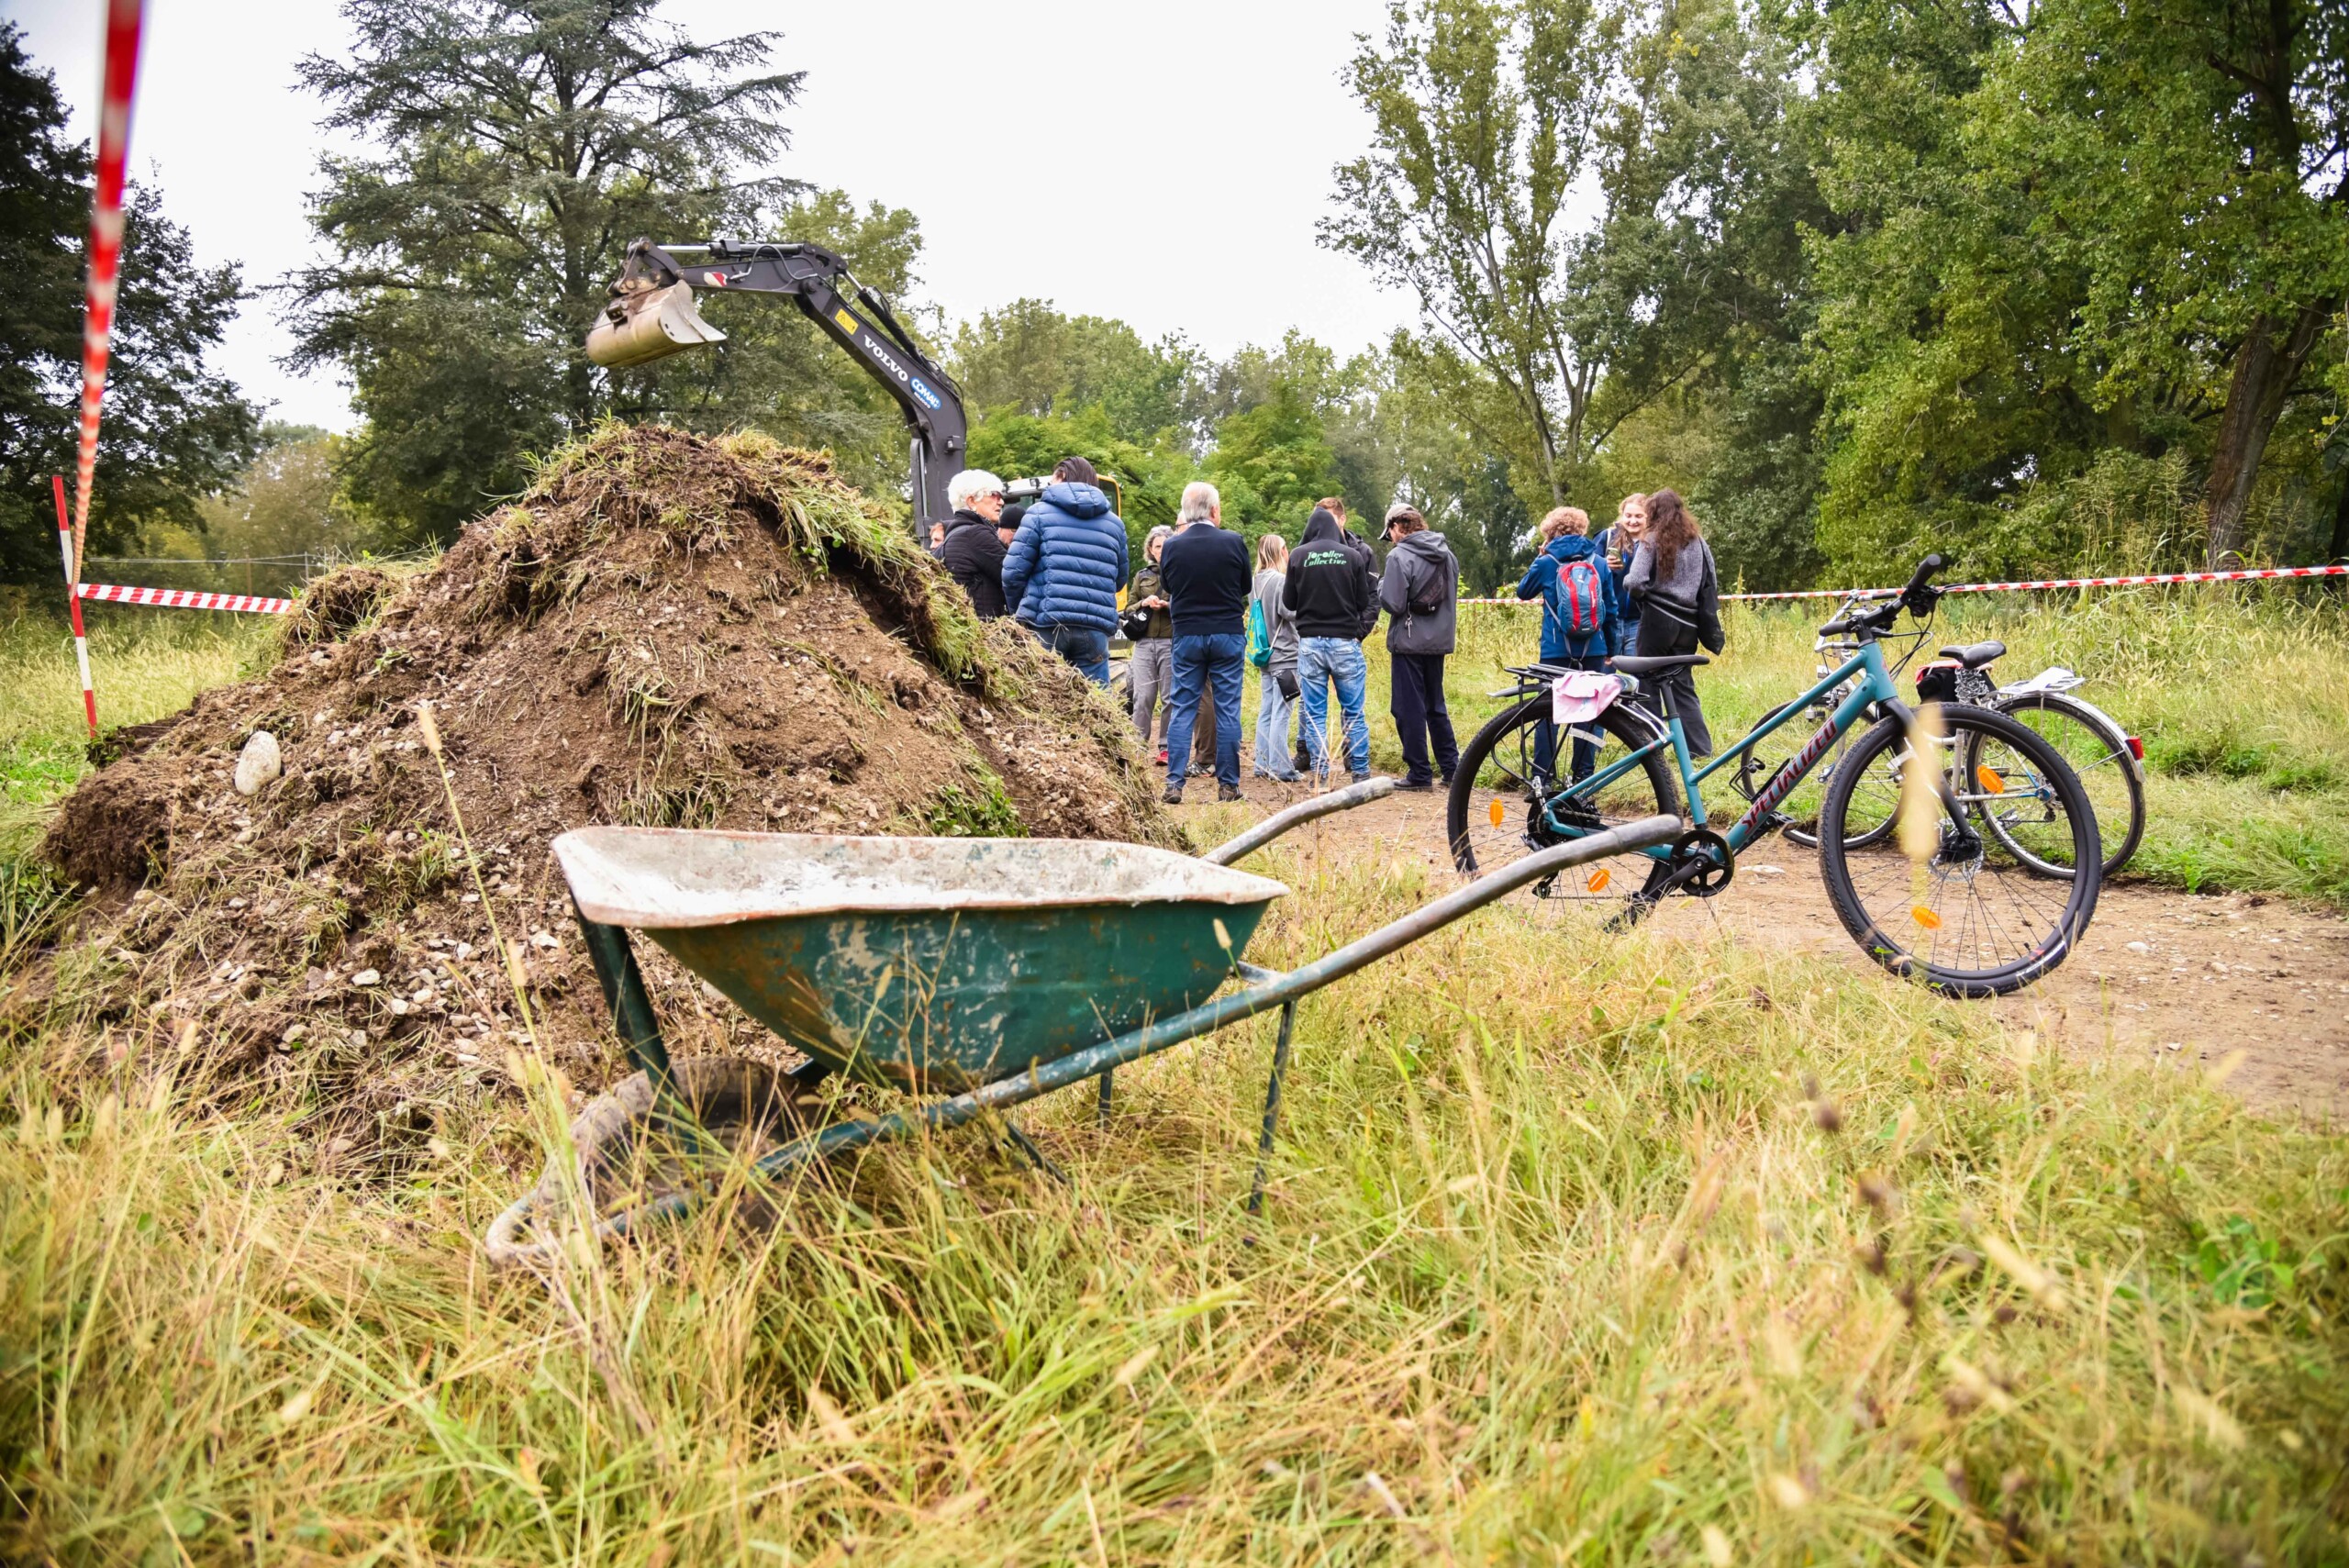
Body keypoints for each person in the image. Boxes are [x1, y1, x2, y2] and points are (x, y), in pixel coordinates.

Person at [1157, 482, 1252, 803]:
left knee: (1183, 707)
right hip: (1226, 632)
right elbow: (1244, 586)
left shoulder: (1171, 546)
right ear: (1214, 510)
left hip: (1186, 634)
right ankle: (1228, 785)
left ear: (1186, 512)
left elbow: (1167, 585)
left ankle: (1174, 783)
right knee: (1227, 709)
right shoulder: (1234, 542)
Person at [1517, 506, 1626, 780]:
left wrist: (1540, 556)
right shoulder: (1599, 562)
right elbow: (1610, 610)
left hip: (1555, 651)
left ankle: (1542, 778)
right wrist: (1611, 650)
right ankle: (1583, 779)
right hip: (1594, 649)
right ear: (1582, 529)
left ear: (1549, 533)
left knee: (1548, 711)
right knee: (1589, 713)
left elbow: (1523, 592)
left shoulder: (1546, 563)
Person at [1001, 456, 1129, 684]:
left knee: (1043, 702)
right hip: (1094, 628)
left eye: (1052, 480)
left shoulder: (1038, 514)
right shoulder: (1115, 525)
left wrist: (1019, 613)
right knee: (1099, 708)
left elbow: (1012, 574)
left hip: (1046, 624)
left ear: (1061, 477)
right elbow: (1118, 581)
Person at [1621, 487, 1723, 757]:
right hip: (1688, 624)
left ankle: (1651, 749)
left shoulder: (1651, 539)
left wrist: (1637, 591)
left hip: (1657, 621)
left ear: (1653, 512)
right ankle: (1699, 750)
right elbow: (1710, 580)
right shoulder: (1698, 541)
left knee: (1648, 685)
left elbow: (1635, 581)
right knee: (1683, 687)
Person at [1283, 504, 1377, 785]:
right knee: (1354, 711)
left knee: (1314, 714)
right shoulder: (1352, 556)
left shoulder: (1299, 555)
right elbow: (1363, 601)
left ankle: (1321, 776)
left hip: (1311, 643)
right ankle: (1360, 774)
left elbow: (1289, 602)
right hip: (1345, 643)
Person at [1377, 505, 1460, 791]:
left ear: (1396, 527)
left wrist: (1380, 587)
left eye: (1389, 533)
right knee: (1435, 705)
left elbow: (1395, 603)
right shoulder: (1447, 554)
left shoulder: (1398, 556)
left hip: (1410, 641)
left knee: (1407, 708)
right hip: (1438, 640)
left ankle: (1419, 773)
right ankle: (1452, 769)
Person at [1250, 532, 1301, 782]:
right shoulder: (1280, 581)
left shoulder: (1255, 581)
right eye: (1285, 547)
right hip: (1286, 655)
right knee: (1283, 711)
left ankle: (1262, 763)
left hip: (1266, 655)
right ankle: (1282, 767)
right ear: (1279, 552)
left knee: (1267, 710)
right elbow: (1288, 612)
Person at [1126, 524, 1176, 759]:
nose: (1161, 550)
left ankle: (1165, 747)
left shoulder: (1179, 573)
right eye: (1158, 546)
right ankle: (1137, 746)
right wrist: (1143, 604)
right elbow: (1127, 608)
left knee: (1169, 697)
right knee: (1143, 696)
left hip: (1170, 641)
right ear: (1150, 549)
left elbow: (1187, 603)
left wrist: (1168, 605)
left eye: (1166, 546)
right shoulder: (1141, 575)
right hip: (1144, 643)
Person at [940, 469, 1009, 619]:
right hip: (986, 631)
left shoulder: (957, 533)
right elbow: (1015, 574)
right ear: (971, 501)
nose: (1001, 501)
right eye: (994, 494)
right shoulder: (975, 535)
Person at [1594, 493, 1648, 651]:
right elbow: (1586, 570)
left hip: (1640, 621)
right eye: (1628, 515)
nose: (1633, 521)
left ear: (1648, 517)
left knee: (1638, 674)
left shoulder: (1655, 542)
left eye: (1639, 516)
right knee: (1602, 674)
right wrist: (1604, 565)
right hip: (1607, 619)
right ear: (1622, 515)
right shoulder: (1607, 537)